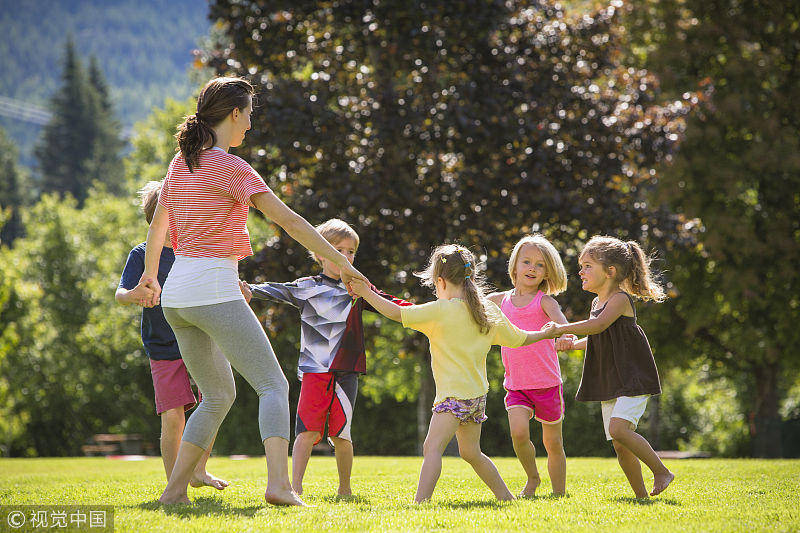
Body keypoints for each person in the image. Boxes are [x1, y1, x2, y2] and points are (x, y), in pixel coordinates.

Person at [138, 77, 367, 506]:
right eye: (248, 116)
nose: (250, 126)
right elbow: (291, 222)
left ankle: (173, 492)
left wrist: (151, 275)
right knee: (273, 385)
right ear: (233, 114)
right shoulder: (234, 169)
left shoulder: (180, 164)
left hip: (176, 298)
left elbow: (157, 228)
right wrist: (344, 265)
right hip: (213, 291)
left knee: (219, 395)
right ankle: (279, 486)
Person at [349, 244, 556, 503]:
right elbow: (520, 338)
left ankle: (420, 503)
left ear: (440, 281)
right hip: (476, 399)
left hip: (452, 399)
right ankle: (506, 498)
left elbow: (395, 312)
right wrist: (546, 333)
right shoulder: (487, 310)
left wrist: (365, 292)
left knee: (432, 447)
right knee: (471, 453)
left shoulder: (440, 310)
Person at [239, 218, 411, 497]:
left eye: (351, 251)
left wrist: (427, 312)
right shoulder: (307, 286)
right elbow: (273, 289)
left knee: (341, 434)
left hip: (346, 371)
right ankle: (294, 487)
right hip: (314, 371)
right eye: (337, 249)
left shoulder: (358, 288)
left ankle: (345, 489)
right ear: (319, 252)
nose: (345, 256)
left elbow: (391, 303)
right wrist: (249, 291)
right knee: (306, 432)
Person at [542, 236, 675, 498]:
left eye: (588, 266)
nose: (581, 271)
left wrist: (560, 328)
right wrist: (571, 345)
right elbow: (597, 338)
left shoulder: (619, 299)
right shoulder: (596, 303)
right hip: (613, 379)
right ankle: (641, 496)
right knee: (619, 443)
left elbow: (598, 326)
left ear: (610, 271)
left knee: (618, 430)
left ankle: (661, 471)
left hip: (632, 377)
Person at [115, 181, 227, 490]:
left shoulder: (192, 253)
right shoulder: (140, 255)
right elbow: (121, 294)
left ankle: (198, 471)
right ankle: (173, 484)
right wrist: (134, 293)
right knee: (173, 416)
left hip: (199, 340)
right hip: (162, 346)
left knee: (214, 401)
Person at [487, 234, 574, 497]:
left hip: (547, 384)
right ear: (514, 266)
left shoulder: (546, 302)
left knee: (553, 442)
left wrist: (566, 337)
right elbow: (469, 309)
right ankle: (533, 478)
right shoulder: (498, 301)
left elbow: (563, 327)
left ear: (547, 272)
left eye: (540, 265)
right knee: (518, 433)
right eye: (526, 262)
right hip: (516, 385)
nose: (532, 268)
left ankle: (559, 493)